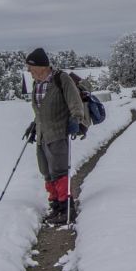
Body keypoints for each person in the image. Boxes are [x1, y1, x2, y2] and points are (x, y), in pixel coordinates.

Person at [21, 48, 89, 224]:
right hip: (43, 135)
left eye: (31, 68)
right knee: (47, 172)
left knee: (59, 172)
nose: (29, 72)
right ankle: (56, 207)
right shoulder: (37, 84)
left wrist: (76, 119)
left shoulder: (61, 79)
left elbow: (75, 102)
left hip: (58, 133)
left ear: (42, 66)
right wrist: (34, 125)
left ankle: (67, 208)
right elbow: (41, 109)